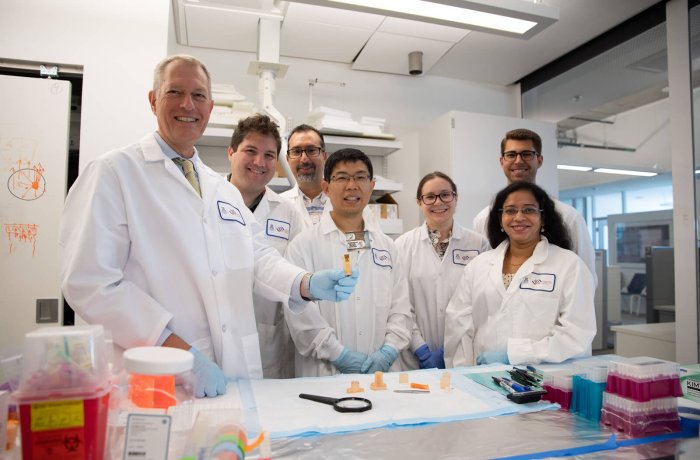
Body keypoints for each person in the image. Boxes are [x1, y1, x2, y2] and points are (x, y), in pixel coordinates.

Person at [58, 55, 358, 398]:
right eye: (175, 92)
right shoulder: (115, 173)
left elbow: (256, 257)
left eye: (199, 95)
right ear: (153, 100)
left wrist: (304, 283)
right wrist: (177, 350)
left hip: (231, 373)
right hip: (159, 372)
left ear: (210, 107)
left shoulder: (220, 190)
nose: (188, 104)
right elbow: (90, 283)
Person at [284, 148, 412, 377]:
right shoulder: (302, 246)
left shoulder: (388, 248)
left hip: (380, 374)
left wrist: (389, 351)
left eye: (361, 177)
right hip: (324, 374)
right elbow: (299, 314)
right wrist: (338, 354)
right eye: (342, 177)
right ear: (326, 188)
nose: (352, 186)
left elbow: (400, 309)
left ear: (371, 186)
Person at [444, 181, 596, 367]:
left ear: (544, 218)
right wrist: (463, 371)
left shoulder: (569, 265)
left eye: (529, 210)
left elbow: (577, 335)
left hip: (542, 377)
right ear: (500, 219)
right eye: (510, 210)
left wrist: (517, 355)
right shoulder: (478, 265)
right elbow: (459, 324)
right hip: (481, 375)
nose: (519, 217)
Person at [226, 113, 308, 378]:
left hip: (269, 346)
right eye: (250, 151)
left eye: (269, 155)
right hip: (219, 339)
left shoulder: (289, 213)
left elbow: (298, 273)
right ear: (231, 152)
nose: (260, 162)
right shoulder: (205, 203)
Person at [394, 172, 489, 370]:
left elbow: (481, 302)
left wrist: (452, 347)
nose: (438, 202)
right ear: (419, 202)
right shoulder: (402, 245)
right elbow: (400, 304)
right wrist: (420, 348)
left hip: (463, 353)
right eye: (430, 197)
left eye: (445, 194)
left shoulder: (478, 244)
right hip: (414, 357)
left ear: (456, 198)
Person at [472, 128, 596, 280]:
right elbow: (480, 273)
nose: (518, 161)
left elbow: (586, 277)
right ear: (501, 161)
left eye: (526, 154)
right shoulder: (484, 218)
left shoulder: (568, 217)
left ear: (539, 160)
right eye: (511, 155)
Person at [280, 124, 330, 226]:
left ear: (324, 156)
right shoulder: (278, 205)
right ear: (288, 159)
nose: (304, 159)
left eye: (311, 150)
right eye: (296, 151)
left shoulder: (347, 201)